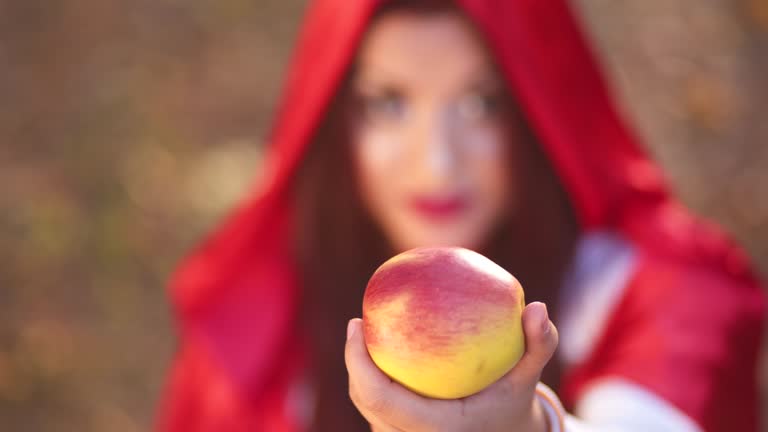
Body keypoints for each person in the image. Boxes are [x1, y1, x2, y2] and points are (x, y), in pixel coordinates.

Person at [155, 0, 766, 431]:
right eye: (387, 103)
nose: (437, 164)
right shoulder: (258, 336)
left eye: (482, 103)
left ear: (542, 108)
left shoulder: (665, 293)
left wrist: (530, 430)